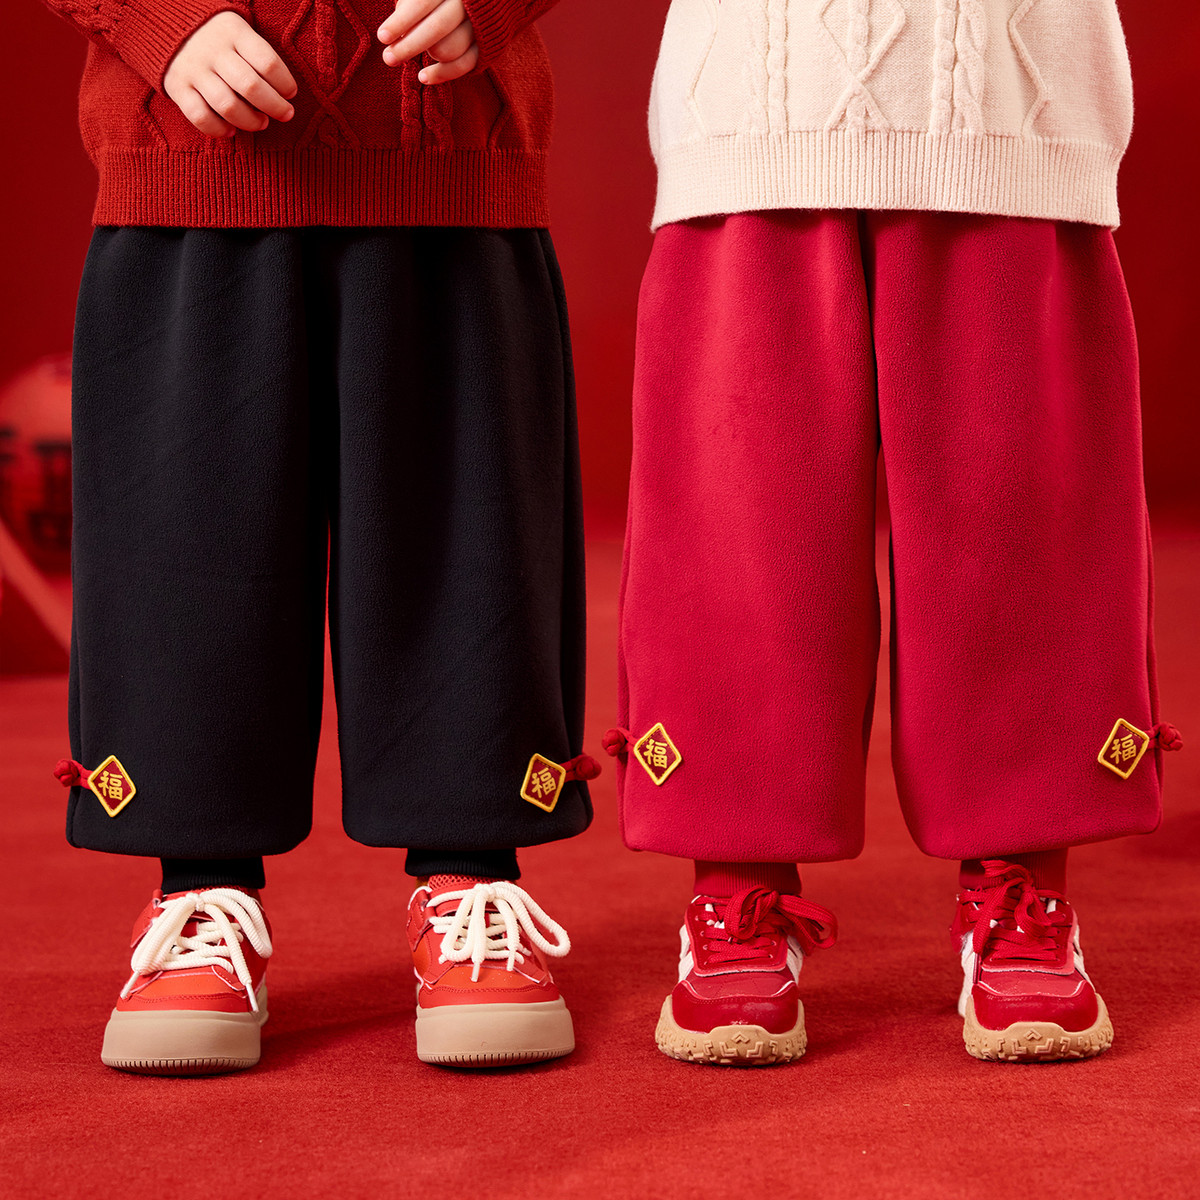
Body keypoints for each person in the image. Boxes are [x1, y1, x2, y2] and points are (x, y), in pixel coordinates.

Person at [608, 0, 1181, 1065]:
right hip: (750, 104)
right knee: (741, 539)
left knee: (1018, 529)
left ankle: (1021, 888)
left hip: (1013, 98)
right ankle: (737, 892)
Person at [44, 0, 593, 1075]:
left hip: (450, 155)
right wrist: (158, 19)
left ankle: (470, 879)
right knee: (185, 557)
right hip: (187, 155)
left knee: (468, 543)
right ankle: (199, 891)